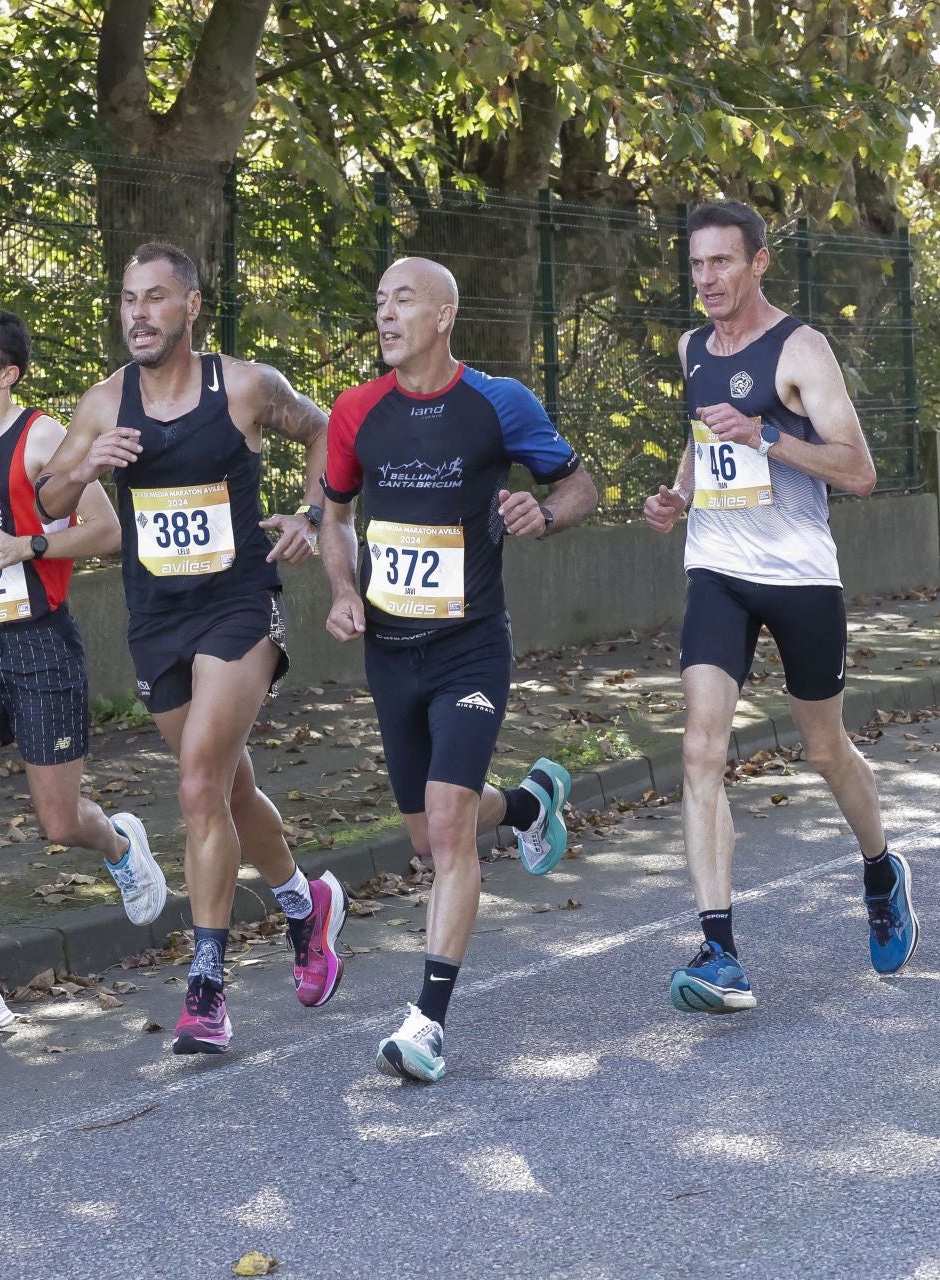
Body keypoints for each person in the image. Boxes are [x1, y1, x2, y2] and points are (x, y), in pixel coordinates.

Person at [35, 242, 344, 1055]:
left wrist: (311, 518)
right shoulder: (104, 403)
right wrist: (86, 468)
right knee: (228, 793)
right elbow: (48, 498)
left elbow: (327, 434)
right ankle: (306, 907)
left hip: (239, 604)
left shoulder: (244, 386)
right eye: (128, 299)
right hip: (156, 619)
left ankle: (206, 987)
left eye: (155, 298)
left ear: (192, 306)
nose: (137, 313)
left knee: (197, 779)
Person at [318, 256, 595, 1082]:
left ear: (444, 315)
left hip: (470, 646)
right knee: (427, 832)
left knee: (445, 831)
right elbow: (333, 516)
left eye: (402, 300)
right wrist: (341, 588)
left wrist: (539, 512)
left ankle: (427, 1023)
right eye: (378, 302)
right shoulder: (354, 412)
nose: (386, 315)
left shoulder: (498, 403)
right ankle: (526, 803)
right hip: (390, 654)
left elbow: (583, 486)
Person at [640, 201, 917, 1014]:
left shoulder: (801, 349)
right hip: (717, 569)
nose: (706, 281)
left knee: (825, 750)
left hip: (799, 575)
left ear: (759, 262)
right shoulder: (692, 347)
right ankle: (720, 949)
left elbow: (859, 470)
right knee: (700, 750)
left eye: (721, 263)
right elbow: (703, 435)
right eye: (696, 265)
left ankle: (880, 869)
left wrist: (767, 437)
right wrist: (678, 497)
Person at [0, 305, 165, 1042]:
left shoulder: (42, 437)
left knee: (57, 821)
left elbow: (107, 532)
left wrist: (31, 545)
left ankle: (117, 843)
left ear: (7, 373)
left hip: (43, 643)